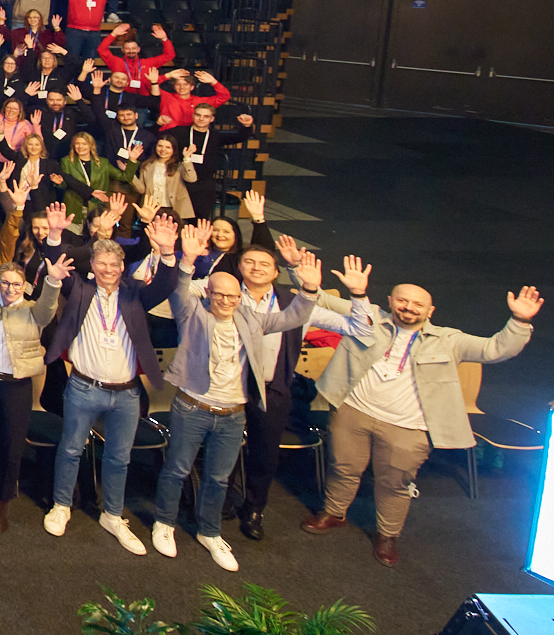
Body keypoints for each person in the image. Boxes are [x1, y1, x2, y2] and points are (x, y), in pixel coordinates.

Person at [151, 228, 373, 569]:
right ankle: (164, 524)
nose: (226, 301)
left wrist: (310, 288)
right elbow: (179, 292)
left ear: (241, 296)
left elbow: (294, 316)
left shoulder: (252, 319)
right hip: (193, 407)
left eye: (232, 297)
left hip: (234, 411)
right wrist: (186, 260)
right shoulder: (193, 313)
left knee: (220, 477)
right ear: (208, 293)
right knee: (177, 468)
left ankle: (209, 531)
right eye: (219, 295)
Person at [304, 277, 540, 566]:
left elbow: (496, 349)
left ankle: (387, 535)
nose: (409, 308)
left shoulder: (450, 340)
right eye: (402, 300)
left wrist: (518, 320)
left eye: (418, 304)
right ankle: (333, 513)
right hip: (354, 411)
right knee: (343, 466)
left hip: (407, 426)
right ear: (390, 301)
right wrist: (298, 274)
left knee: (396, 482)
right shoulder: (370, 317)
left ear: (431, 311)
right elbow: (320, 299)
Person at [41, 219, 181, 550]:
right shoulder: (80, 289)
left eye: (114, 264)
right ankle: (61, 506)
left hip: (127, 393)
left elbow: (165, 285)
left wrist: (166, 251)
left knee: (119, 457)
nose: (107, 269)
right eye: (101, 263)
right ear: (93, 265)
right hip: (83, 387)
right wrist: (55, 235)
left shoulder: (135, 293)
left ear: (122, 267)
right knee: (71, 448)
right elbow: (55, 262)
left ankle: (113, 515)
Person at [0, 255, 67, 532]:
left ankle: (4, 500)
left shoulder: (33, 310)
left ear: (24, 286)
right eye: (5, 283)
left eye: (17, 284)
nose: (11, 289)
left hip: (17, 386)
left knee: (13, 446)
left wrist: (53, 280)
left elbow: (49, 306)